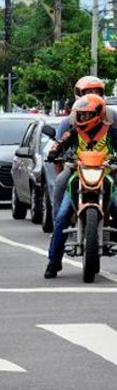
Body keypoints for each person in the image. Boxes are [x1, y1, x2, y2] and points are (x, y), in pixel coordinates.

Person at [45, 94, 117, 279]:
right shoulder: (75, 132)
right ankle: (53, 263)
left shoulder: (110, 132)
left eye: (86, 115)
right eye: (80, 115)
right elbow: (60, 144)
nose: (82, 118)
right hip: (78, 176)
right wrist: (54, 152)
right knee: (61, 216)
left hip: (106, 176)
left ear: (98, 114)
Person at [52, 77, 117, 215]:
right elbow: (58, 146)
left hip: (108, 167)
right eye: (88, 92)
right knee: (60, 183)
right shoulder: (69, 122)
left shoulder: (112, 117)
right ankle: (57, 221)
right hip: (78, 168)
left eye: (96, 92)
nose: (93, 95)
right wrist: (60, 159)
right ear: (79, 95)